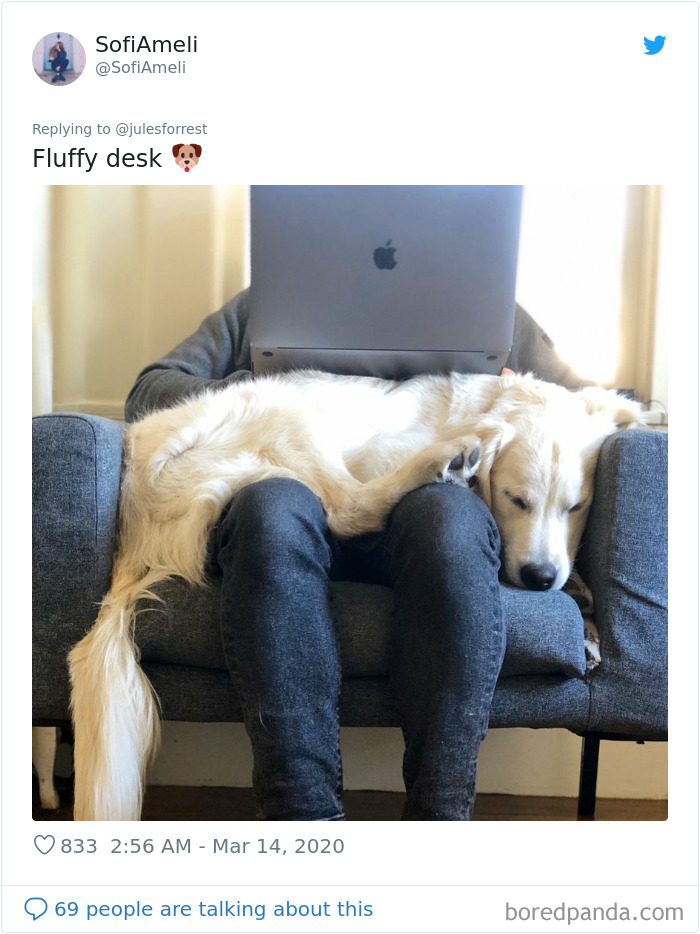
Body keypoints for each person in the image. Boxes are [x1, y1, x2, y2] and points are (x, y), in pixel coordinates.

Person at [125, 290, 588, 821]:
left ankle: (439, 819)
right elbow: (151, 392)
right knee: (270, 510)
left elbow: (588, 404)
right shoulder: (274, 295)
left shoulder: (485, 304)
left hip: (417, 509)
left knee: (450, 521)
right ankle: (303, 822)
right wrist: (275, 391)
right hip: (291, 493)